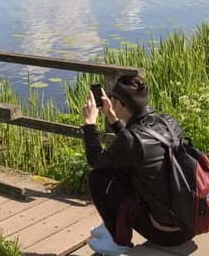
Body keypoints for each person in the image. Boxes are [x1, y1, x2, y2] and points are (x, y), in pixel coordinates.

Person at [81, 75, 194, 255]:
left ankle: (115, 241)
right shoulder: (168, 121)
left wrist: (89, 125)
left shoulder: (131, 140)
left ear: (119, 104)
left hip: (165, 234)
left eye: (112, 98)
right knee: (125, 173)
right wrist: (112, 118)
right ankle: (110, 229)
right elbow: (135, 144)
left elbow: (97, 161)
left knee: (99, 177)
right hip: (189, 224)